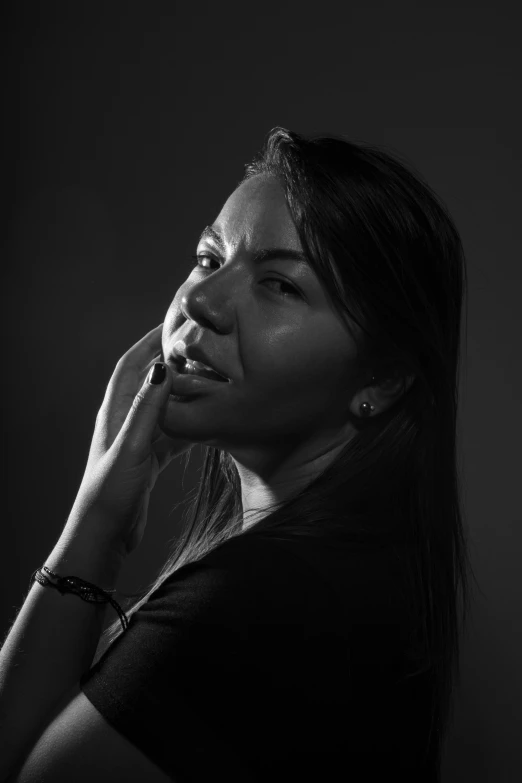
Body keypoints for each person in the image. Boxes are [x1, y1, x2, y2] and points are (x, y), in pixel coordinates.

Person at [0, 127, 477, 782]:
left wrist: (95, 527)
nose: (198, 301)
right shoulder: (348, 579)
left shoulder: (261, 605)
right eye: (208, 257)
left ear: (384, 377)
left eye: (280, 284)